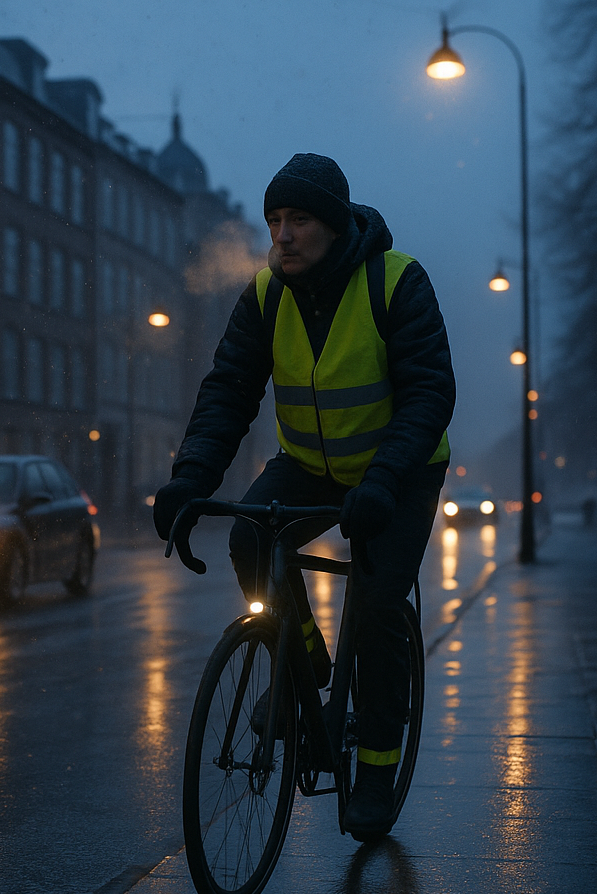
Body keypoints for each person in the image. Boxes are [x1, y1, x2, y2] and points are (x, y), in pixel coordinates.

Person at [153, 154, 455, 838]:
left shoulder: (395, 281)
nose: (282, 235)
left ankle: (376, 764)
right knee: (248, 537)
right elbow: (229, 391)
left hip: (398, 471)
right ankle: (305, 667)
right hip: (313, 464)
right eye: (274, 221)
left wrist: (381, 480)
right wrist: (189, 479)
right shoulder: (265, 296)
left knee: (375, 602)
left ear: (337, 223)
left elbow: (429, 392)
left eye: (299, 219)